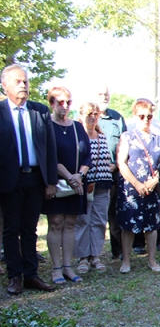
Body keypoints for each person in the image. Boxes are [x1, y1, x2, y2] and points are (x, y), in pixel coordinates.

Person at [0, 64, 59, 294]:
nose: (23, 85)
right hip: (9, 180)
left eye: (25, 81)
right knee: (11, 229)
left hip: (35, 179)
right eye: (17, 81)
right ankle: (14, 276)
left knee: (30, 229)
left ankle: (31, 275)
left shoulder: (40, 111)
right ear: (4, 86)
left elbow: (49, 148)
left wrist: (51, 181)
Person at [41, 88, 91, 285]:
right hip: (57, 183)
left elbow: (87, 155)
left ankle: (68, 267)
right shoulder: (46, 126)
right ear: (52, 103)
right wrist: (70, 177)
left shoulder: (77, 127)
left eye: (68, 102)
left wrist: (79, 176)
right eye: (60, 102)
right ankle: (56, 269)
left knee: (70, 224)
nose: (64, 106)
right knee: (56, 224)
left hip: (76, 184)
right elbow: (49, 156)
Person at [116, 98, 160, 273]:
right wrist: (137, 184)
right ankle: (127, 261)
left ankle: (152, 260)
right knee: (129, 225)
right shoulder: (127, 136)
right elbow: (121, 163)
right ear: (135, 116)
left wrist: (155, 181)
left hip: (152, 188)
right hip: (131, 188)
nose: (146, 119)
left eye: (149, 116)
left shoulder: (159, 139)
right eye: (142, 116)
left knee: (152, 225)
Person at [74, 103, 115, 274]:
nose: (92, 117)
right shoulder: (77, 136)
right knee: (83, 221)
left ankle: (95, 256)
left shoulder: (102, 137)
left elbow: (108, 161)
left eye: (95, 113)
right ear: (81, 114)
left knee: (99, 221)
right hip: (84, 185)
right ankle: (82, 257)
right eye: (89, 113)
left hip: (103, 184)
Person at [95, 86, 127, 260]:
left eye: (106, 94)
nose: (103, 97)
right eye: (100, 94)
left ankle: (118, 250)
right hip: (91, 174)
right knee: (92, 215)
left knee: (114, 212)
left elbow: (124, 143)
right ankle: (90, 254)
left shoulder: (117, 118)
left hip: (114, 172)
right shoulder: (87, 115)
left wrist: (116, 164)